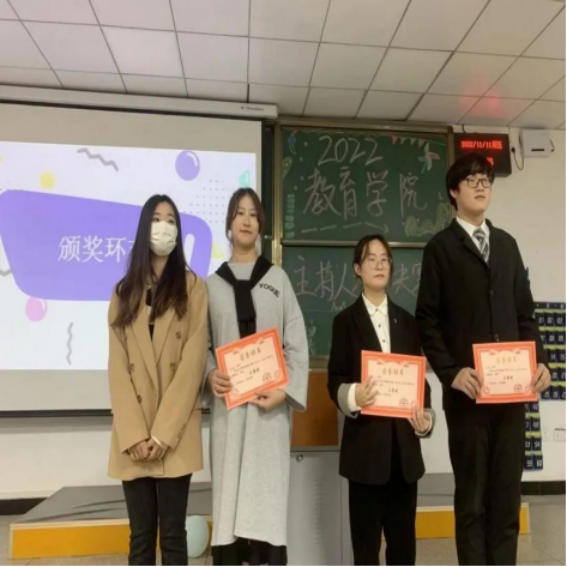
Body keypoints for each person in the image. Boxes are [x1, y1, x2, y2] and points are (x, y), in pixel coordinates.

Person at [416, 154, 551, 567]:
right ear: (453, 192)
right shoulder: (440, 248)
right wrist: (451, 373)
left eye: (486, 180)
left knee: (507, 499)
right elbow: (427, 321)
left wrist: (541, 362)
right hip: (468, 398)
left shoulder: (507, 245)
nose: (481, 186)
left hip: (511, 399)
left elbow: (526, 315)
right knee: (472, 502)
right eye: (471, 180)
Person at [205, 188, 309, 566]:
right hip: (229, 414)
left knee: (266, 506)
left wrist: (285, 392)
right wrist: (210, 374)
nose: (246, 220)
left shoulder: (277, 279)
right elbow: (202, 346)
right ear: (229, 223)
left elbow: (296, 343)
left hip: (269, 413)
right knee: (230, 504)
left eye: (253, 214)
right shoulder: (211, 286)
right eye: (239, 213)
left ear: (261, 225)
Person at [107, 195, 208, 567]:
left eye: (171, 220)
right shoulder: (123, 293)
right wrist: (134, 434)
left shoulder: (193, 288)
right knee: (140, 539)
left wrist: (163, 434)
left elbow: (193, 364)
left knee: (173, 537)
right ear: (144, 227)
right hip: (133, 435)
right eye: (156, 219)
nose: (163, 227)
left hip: (174, 434)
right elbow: (117, 369)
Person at [328, 235, 435, 567]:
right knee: (366, 550)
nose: (379, 265)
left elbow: (420, 381)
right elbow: (334, 380)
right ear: (357, 269)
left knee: (403, 550)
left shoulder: (408, 322)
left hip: (404, 457)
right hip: (365, 457)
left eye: (384, 259)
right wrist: (353, 395)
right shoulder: (344, 322)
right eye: (370, 259)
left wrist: (426, 419)